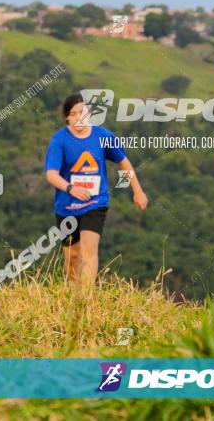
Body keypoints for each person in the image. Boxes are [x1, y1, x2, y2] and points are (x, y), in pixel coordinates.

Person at [44, 93, 148, 285]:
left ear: (89, 113)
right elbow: (51, 174)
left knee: (88, 252)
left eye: (82, 112)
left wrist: (138, 191)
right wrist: (70, 188)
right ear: (67, 117)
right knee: (72, 258)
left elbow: (124, 162)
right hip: (66, 206)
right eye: (73, 114)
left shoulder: (103, 136)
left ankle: (86, 298)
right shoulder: (59, 140)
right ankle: (72, 295)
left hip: (95, 202)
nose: (78, 117)